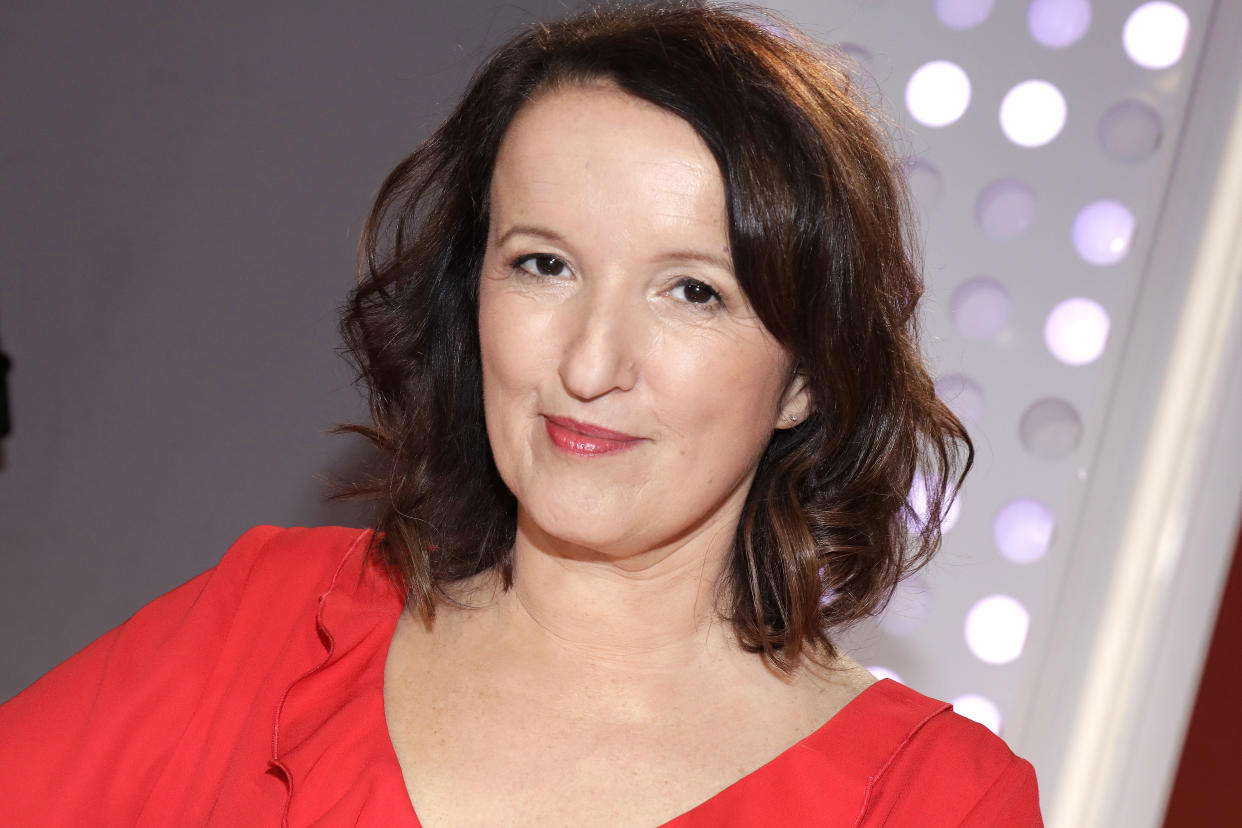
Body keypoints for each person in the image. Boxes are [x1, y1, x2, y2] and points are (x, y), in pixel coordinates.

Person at [0, 3, 1042, 825]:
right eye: (543, 265)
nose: (590, 364)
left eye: (693, 292)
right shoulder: (263, 628)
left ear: (808, 375)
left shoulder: (934, 802)